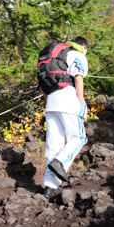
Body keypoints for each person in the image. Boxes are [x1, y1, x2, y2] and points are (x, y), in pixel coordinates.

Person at [39, 37, 89, 199]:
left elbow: (42, 86)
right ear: (84, 48)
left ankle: (49, 186)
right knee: (79, 137)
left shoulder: (52, 57)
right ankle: (60, 161)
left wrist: (49, 104)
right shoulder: (77, 55)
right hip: (69, 100)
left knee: (54, 144)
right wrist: (81, 103)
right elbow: (78, 78)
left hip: (51, 102)